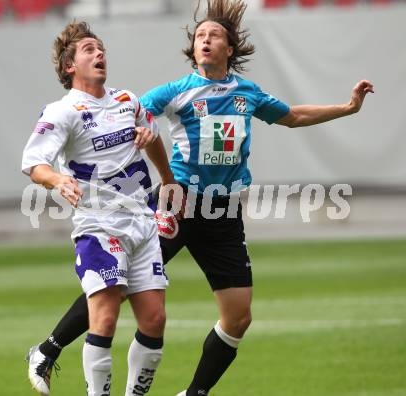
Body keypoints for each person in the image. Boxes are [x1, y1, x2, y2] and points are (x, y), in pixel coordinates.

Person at [25, 1, 374, 395]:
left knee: (238, 317)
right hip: (178, 202)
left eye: (215, 36)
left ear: (230, 48)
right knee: (115, 286)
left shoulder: (248, 93)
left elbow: (292, 115)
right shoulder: (177, 92)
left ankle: (195, 392)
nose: (205, 40)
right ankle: (49, 349)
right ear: (193, 49)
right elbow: (137, 117)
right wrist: (138, 137)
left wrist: (347, 108)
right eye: (200, 36)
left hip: (223, 211)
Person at [22, 21, 177, 396]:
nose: (99, 53)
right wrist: (57, 180)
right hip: (98, 226)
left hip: (142, 221)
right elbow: (33, 162)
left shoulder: (128, 100)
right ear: (69, 65)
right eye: (89, 49)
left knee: (154, 319)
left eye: (101, 47)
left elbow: (151, 134)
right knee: (105, 319)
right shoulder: (63, 111)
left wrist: (168, 178)